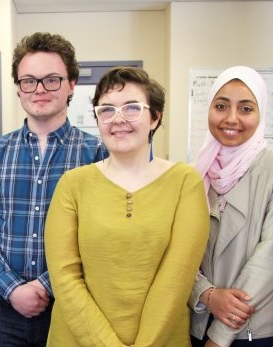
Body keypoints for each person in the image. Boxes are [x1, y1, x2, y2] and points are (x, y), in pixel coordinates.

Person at [44, 66, 208, 347]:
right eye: (106, 110)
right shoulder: (72, 185)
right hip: (77, 339)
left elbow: (176, 280)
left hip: (161, 340)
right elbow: (65, 278)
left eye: (132, 108)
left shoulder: (185, 182)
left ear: (155, 117)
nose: (117, 119)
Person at [0, 32, 105, 347]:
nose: (39, 89)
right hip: (1, 307)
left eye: (52, 80)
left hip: (70, 305)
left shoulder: (96, 154)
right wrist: (13, 288)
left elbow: (96, 236)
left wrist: (45, 286)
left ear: (71, 84)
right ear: (18, 88)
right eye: (29, 80)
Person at [188, 66, 273, 347]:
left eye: (246, 109)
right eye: (221, 106)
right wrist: (205, 294)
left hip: (252, 330)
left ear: (260, 113)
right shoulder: (195, 173)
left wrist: (220, 335)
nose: (231, 118)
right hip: (198, 321)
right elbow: (179, 249)